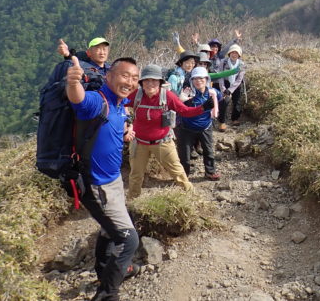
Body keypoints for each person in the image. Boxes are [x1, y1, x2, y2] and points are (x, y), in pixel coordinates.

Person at [65, 55, 140, 301]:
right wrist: (73, 82)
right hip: (98, 186)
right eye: (124, 75)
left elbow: (114, 125)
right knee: (128, 240)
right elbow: (80, 101)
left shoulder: (120, 103)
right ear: (109, 76)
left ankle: (104, 270)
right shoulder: (100, 100)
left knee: (110, 231)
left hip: (113, 180)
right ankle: (107, 294)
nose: (130, 81)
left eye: (134, 77)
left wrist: (126, 129)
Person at [127, 64, 211, 199]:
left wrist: (203, 108)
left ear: (160, 82)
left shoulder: (167, 96)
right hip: (139, 143)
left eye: (154, 80)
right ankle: (131, 202)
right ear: (141, 83)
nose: (150, 84)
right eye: (147, 80)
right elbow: (118, 103)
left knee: (177, 172)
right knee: (136, 175)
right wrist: (125, 123)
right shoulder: (136, 95)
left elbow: (184, 111)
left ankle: (192, 198)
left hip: (162, 142)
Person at [176, 67, 222, 181]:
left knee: (209, 151)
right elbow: (178, 106)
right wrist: (183, 100)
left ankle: (210, 172)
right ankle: (184, 176)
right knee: (184, 154)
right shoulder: (187, 93)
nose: (198, 81)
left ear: (206, 79)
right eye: (195, 78)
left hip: (205, 126)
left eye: (201, 78)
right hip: (186, 128)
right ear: (191, 80)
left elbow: (220, 98)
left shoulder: (212, 93)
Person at [218, 44, 247, 127]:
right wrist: (223, 89)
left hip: (236, 85)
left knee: (237, 102)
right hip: (225, 84)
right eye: (232, 52)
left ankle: (235, 119)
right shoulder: (223, 62)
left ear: (239, 55)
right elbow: (220, 76)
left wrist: (230, 90)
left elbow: (239, 79)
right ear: (229, 53)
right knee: (224, 102)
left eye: (236, 53)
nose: (234, 54)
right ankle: (222, 122)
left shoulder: (241, 64)